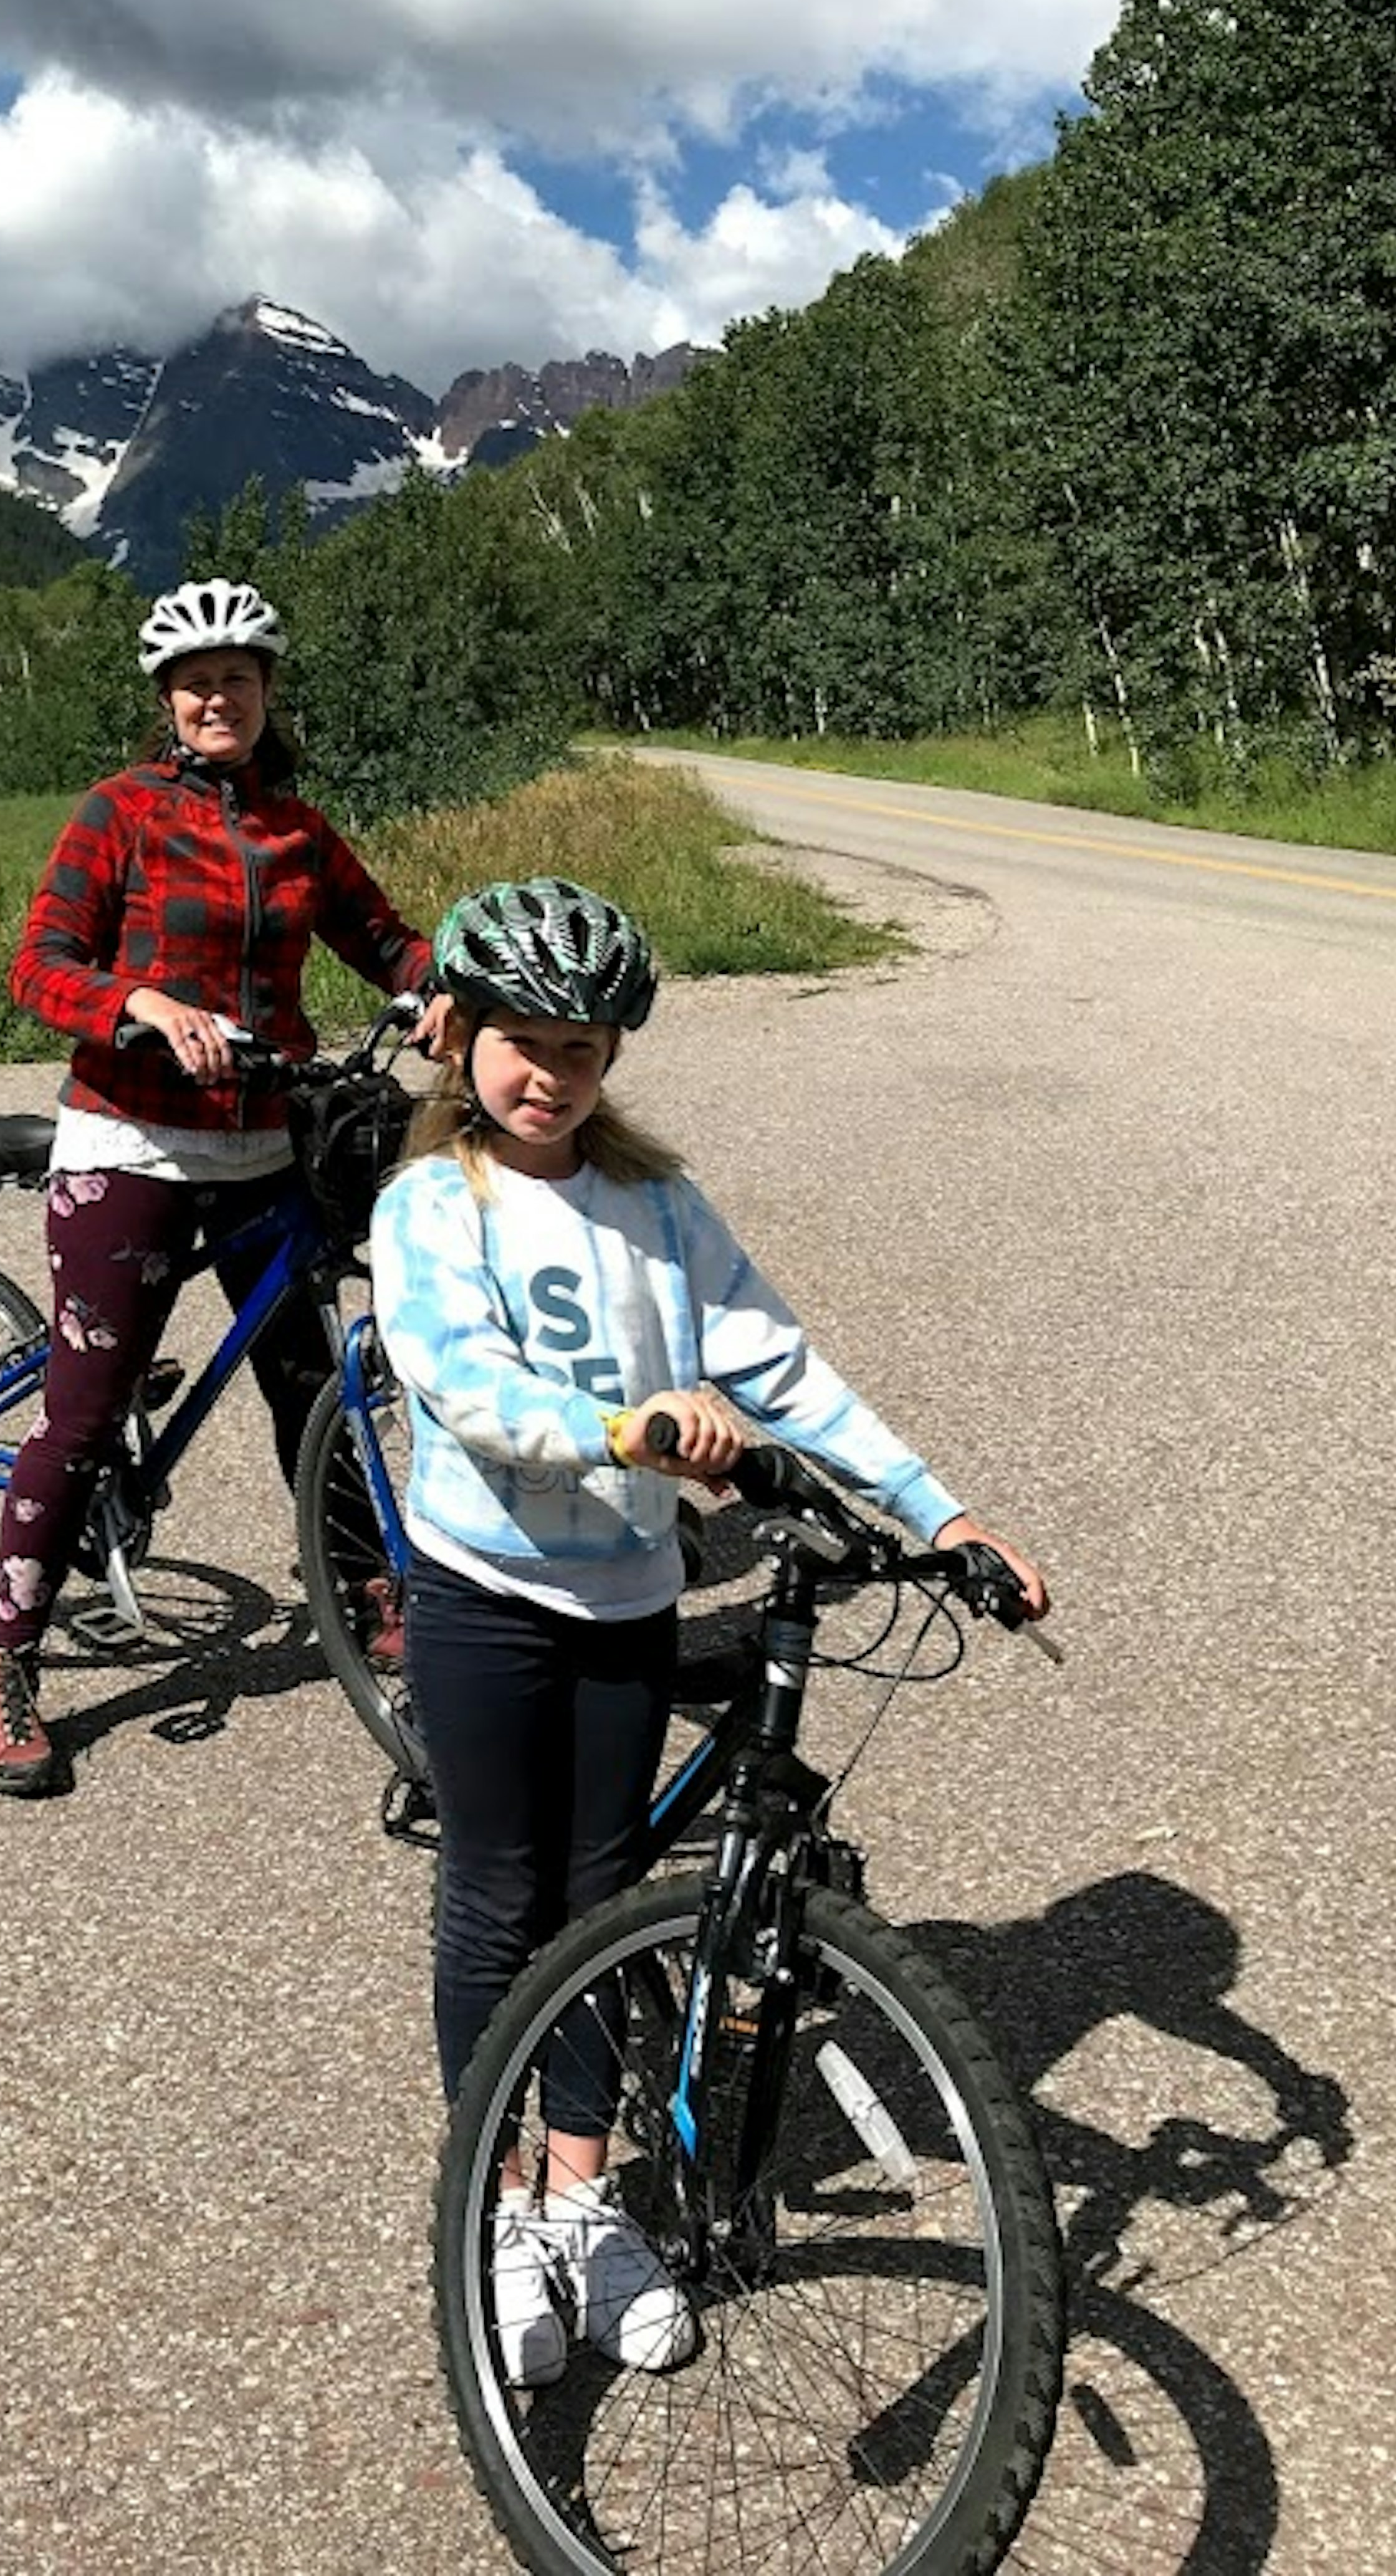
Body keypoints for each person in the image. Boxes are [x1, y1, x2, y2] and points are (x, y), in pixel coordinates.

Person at [368, 875, 1049, 2390]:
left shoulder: (659, 1205)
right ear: (461, 1036)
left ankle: (584, 2194)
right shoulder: (430, 1203)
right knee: (498, 1890)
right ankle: (497, 2209)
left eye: (585, 1046)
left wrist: (939, 1509)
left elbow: (784, 1367)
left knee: (607, 1892)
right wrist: (628, 1425)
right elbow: (461, 1380)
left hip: (624, 1592)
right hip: (483, 1588)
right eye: (521, 1038)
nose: (549, 1072)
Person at [0, 576, 442, 1798]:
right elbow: (41, 962)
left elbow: (390, 944)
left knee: (309, 1379)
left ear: (266, 690)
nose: (215, 693)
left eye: (237, 673)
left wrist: (451, 989)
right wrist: (136, 1000)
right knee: (83, 1414)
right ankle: (8, 1660)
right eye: (194, 679)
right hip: (130, 1140)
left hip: (265, 1146)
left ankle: (368, 1590)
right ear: (166, 700)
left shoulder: (296, 830)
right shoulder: (118, 813)